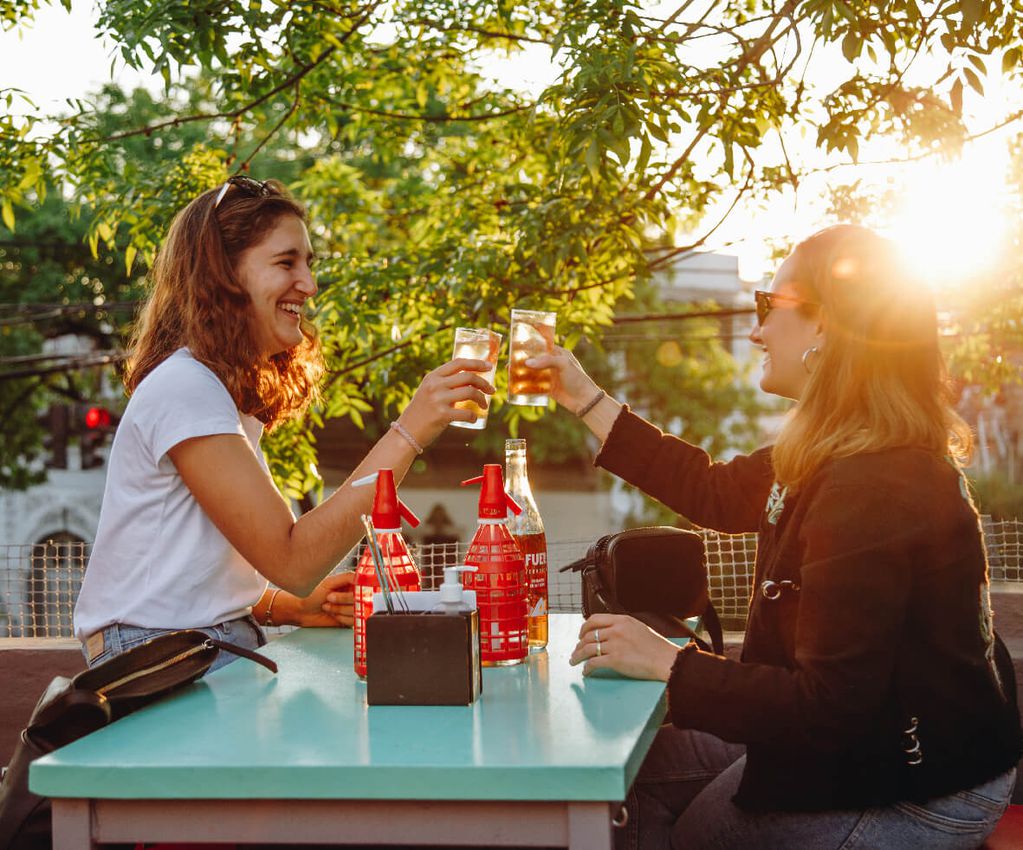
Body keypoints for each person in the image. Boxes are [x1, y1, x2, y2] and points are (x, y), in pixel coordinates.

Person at [530, 224, 1022, 849]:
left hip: (919, 786)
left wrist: (670, 663)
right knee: (646, 769)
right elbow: (711, 489)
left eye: (769, 306)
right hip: (876, 747)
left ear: (827, 327)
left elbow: (828, 710)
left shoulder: (872, 488)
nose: (756, 329)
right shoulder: (835, 449)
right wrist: (584, 398)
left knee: (687, 831)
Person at [74, 176, 493, 671]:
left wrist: (290, 606)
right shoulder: (185, 387)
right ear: (223, 275)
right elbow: (292, 561)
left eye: (309, 264)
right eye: (286, 262)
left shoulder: (216, 391)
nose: (310, 286)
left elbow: (185, 572)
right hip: (158, 656)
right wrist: (411, 428)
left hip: (197, 641)